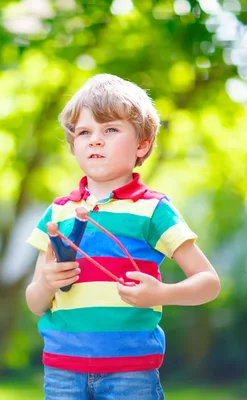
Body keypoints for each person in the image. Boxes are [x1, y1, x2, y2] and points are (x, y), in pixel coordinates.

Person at [25, 74, 221, 400]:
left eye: (110, 130)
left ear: (142, 144)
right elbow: (35, 302)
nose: (95, 140)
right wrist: (47, 283)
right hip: (62, 370)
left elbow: (208, 282)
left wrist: (161, 293)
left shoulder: (153, 210)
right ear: (73, 145)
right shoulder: (58, 213)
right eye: (84, 132)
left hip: (130, 371)